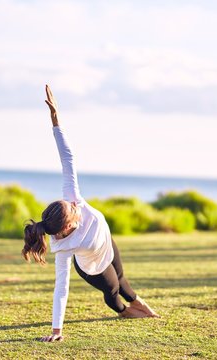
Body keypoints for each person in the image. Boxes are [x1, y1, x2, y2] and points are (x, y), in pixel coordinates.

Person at [22, 85, 160, 342]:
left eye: (72, 204)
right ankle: (125, 312)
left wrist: (55, 119)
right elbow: (61, 289)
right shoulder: (62, 247)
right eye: (74, 209)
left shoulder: (72, 197)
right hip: (92, 266)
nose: (76, 205)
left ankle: (142, 305)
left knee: (123, 279)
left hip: (107, 244)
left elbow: (68, 158)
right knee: (113, 292)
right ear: (66, 227)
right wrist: (56, 331)